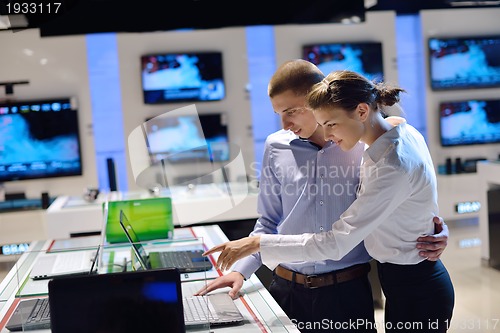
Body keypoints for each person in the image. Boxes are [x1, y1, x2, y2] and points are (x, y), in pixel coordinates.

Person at [199, 61, 450, 332]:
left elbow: (404, 186)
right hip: (287, 287)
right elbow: (269, 218)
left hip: (348, 290)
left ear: (316, 98)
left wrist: (432, 228)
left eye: (291, 111)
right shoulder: (276, 146)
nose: (285, 123)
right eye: (278, 113)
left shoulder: (364, 143)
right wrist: (241, 269)